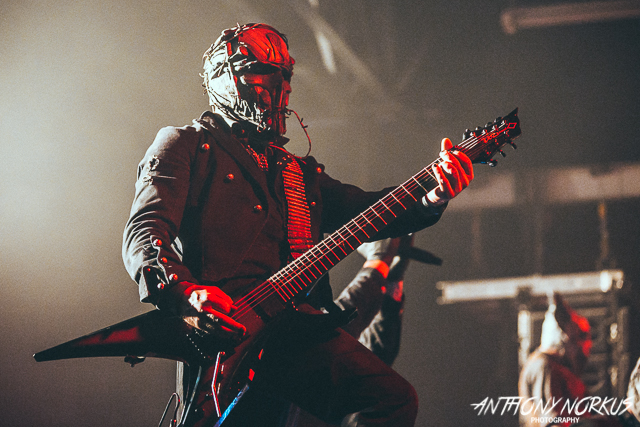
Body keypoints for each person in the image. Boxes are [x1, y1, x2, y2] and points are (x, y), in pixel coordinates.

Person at [122, 23, 474, 427]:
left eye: (284, 75)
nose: (280, 87)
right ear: (224, 78)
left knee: (392, 399)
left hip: (294, 330)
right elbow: (145, 232)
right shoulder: (185, 144)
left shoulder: (296, 171)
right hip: (226, 334)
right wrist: (187, 293)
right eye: (263, 72)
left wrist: (433, 193)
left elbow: (368, 209)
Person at [519, 293, 593, 427]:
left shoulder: (554, 367)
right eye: (576, 340)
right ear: (563, 337)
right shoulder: (543, 366)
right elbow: (551, 420)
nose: (581, 348)